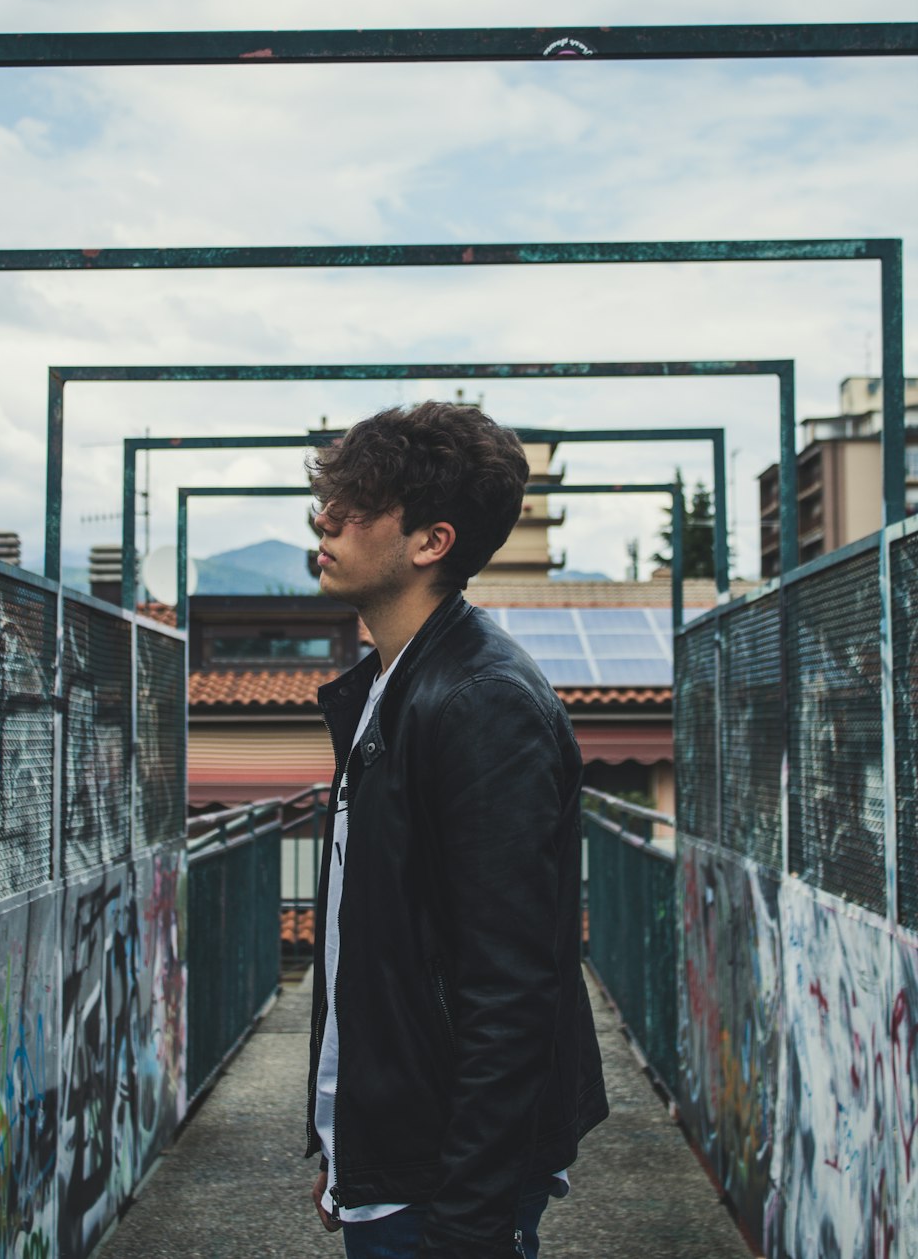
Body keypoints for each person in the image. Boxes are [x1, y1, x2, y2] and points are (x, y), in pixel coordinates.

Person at [305, 401, 608, 1259]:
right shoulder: (390, 687)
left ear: (430, 542)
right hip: (396, 1160)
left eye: (359, 505)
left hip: (445, 1188)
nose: (328, 518)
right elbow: (366, 950)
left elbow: (510, 991)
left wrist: (469, 1223)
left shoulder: (482, 704)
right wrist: (338, 1138)